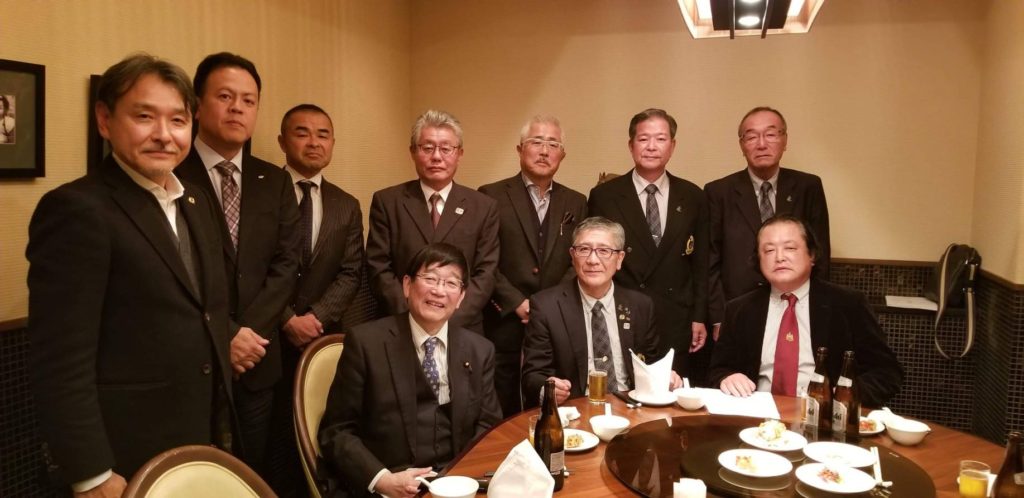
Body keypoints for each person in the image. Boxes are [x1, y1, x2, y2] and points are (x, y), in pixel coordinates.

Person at [27, 54, 234, 496]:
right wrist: (91, 473)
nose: (164, 134)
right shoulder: (77, 210)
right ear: (105, 120)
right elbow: (60, 360)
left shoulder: (195, 201)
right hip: (123, 453)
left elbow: (202, 311)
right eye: (144, 116)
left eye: (178, 120)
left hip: (198, 435)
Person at [175, 52, 300, 473]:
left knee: (251, 470)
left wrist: (249, 335)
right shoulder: (171, 173)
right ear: (197, 105)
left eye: (248, 101)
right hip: (194, 358)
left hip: (257, 358)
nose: (237, 109)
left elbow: (286, 264)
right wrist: (225, 335)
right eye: (225, 96)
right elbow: (175, 271)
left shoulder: (274, 180)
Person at [319, 243, 502, 498]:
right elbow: (337, 431)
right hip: (390, 483)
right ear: (407, 285)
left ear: (461, 297)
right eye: (430, 278)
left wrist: (463, 474)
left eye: (451, 283)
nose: (439, 291)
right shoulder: (366, 344)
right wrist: (382, 480)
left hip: (458, 483)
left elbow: (488, 424)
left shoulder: (479, 350)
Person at [707, 215, 902, 407]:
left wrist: (845, 396)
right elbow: (718, 370)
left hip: (826, 417)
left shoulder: (848, 304)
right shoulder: (740, 309)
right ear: (758, 259)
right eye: (769, 250)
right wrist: (728, 377)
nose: (779, 257)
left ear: (812, 255)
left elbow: (886, 372)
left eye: (790, 248)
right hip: (756, 417)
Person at [270, 104, 364, 495]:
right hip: (267, 338)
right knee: (272, 439)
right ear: (282, 141)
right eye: (302, 132)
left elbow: (351, 271)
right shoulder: (262, 195)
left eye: (323, 134)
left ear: (333, 143)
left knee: (320, 430)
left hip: (323, 339)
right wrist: (287, 319)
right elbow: (250, 271)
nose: (313, 142)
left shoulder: (347, 204)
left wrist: (316, 318)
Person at [478, 115, 587, 416]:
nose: (544, 151)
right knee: (504, 406)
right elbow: (484, 258)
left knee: (555, 402)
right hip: (504, 321)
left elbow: (578, 259)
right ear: (520, 149)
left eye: (553, 144)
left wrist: (549, 305)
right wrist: (515, 302)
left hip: (557, 321)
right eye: (536, 142)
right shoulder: (490, 196)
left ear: (562, 154)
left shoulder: (576, 202)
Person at [588, 108, 709, 377]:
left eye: (660, 139)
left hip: (676, 317)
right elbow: (596, 259)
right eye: (643, 139)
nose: (651, 146)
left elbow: (701, 265)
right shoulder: (605, 196)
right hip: (623, 313)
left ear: (672, 146)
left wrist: (699, 316)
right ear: (631, 145)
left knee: (672, 390)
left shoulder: (693, 196)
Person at [522, 217, 682, 406]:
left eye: (604, 251)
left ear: (619, 259)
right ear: (572, 256)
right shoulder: (547, 306)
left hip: (631, 407)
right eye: (584, 249)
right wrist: (548, 388)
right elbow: (533, 375)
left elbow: (651, 365)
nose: (592, 260)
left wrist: (664, 377)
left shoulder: (640, 306)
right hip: (575, 409)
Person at [366, 109, 500, 334]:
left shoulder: (483, 207)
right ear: (412, 152)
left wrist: (445, 320)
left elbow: (486, 273)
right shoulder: (388, 202)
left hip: (462, 328)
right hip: (400, 325)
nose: (436, 156)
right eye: (427, 148)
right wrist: (414, 316)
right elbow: (378, 267)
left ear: (459, 154)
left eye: (446, 149)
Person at [704, 106, 830, 338]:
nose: (761, 144)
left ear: (785, 140)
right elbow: (710, 260)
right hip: (737, 309)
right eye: (751, 137)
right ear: (742, 145)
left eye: (771, 134)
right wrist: (719, 317)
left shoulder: (808, 187)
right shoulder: (718, 192)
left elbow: (820, 254)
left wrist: (818, 308)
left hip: (796, 306)